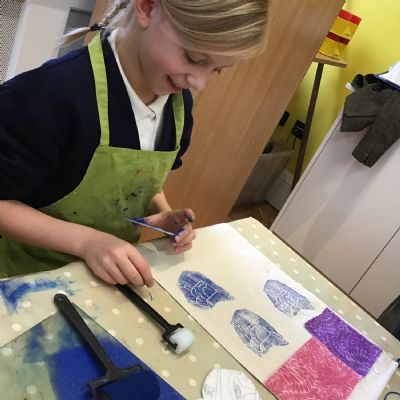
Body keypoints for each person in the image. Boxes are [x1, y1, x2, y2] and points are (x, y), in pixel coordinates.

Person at [0, 0, 269, 287]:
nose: (199, 83)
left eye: (217, 70)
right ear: (147, 8)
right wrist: (86, 242)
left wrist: (161, 211)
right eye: (193, 58)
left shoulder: (177, 105)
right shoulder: (48, 95)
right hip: (24, 277)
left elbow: (139, 182)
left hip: (105, 280)